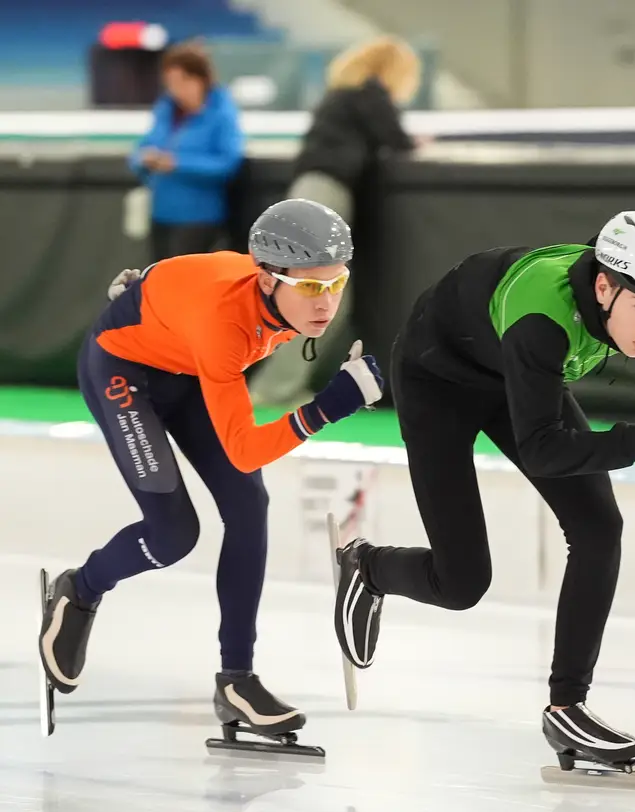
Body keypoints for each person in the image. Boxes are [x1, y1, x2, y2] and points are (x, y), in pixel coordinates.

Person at [329, 210, 635, 771]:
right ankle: (367, 568)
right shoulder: (544, 317)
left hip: (509, 371)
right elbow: (544, 450)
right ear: (603, 285)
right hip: (435, 381)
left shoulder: (599, 297)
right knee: (462, 582)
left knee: (598, 528)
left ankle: (567, 707)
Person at [38, 199, 383, 750]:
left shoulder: (272, 293)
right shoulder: (225, 322)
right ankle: (79, 589)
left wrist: (147, 285)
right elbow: (246, 450)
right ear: (268, 281)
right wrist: (324, 408)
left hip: (189, 366)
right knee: (174, 534)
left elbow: (190, 270)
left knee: (249, 506)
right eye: (312, 289)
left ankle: (237, 681)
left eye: (337, 283)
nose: (327, 303)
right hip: (124, 372)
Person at [250, 35, 421, 408]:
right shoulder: (367, 94)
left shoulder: (341, 97)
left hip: (312, 191)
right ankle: (270, 389)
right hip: (324, 194)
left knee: (311, 297)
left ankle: (272, 386)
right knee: (320, 299)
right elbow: (397, 137)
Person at [129, 41, 244, 263]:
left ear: (200, 79)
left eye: (181, 82)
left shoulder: (221, 114)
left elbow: (228, 163)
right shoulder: (166, 111)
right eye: (170, 83)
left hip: (199, 217)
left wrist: (178, 164)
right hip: (161, 212)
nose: (176, 90)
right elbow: (142, 147)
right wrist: (143, 160)